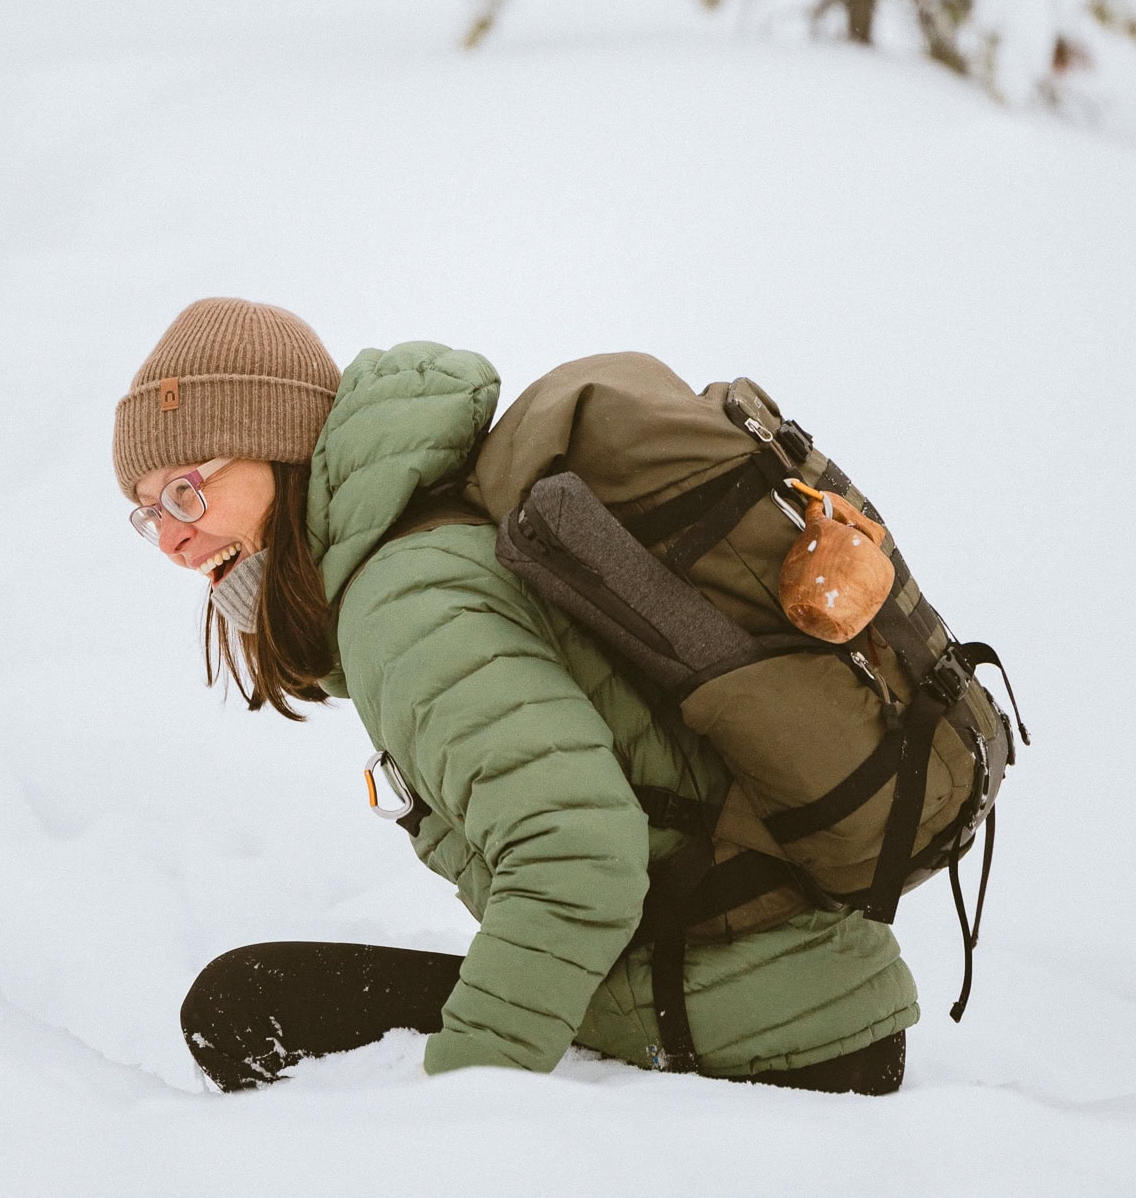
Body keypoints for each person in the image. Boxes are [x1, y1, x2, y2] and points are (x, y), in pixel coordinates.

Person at [115, 298, 917, 1094]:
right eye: (149, 515)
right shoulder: (424, 549)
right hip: (801, 1006)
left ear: (281, 449)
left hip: (758, 1036)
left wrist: (463, 1102)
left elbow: (577, 860)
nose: (175, 541)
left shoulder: (405, 600)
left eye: (188, 492)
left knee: (242, 1008)